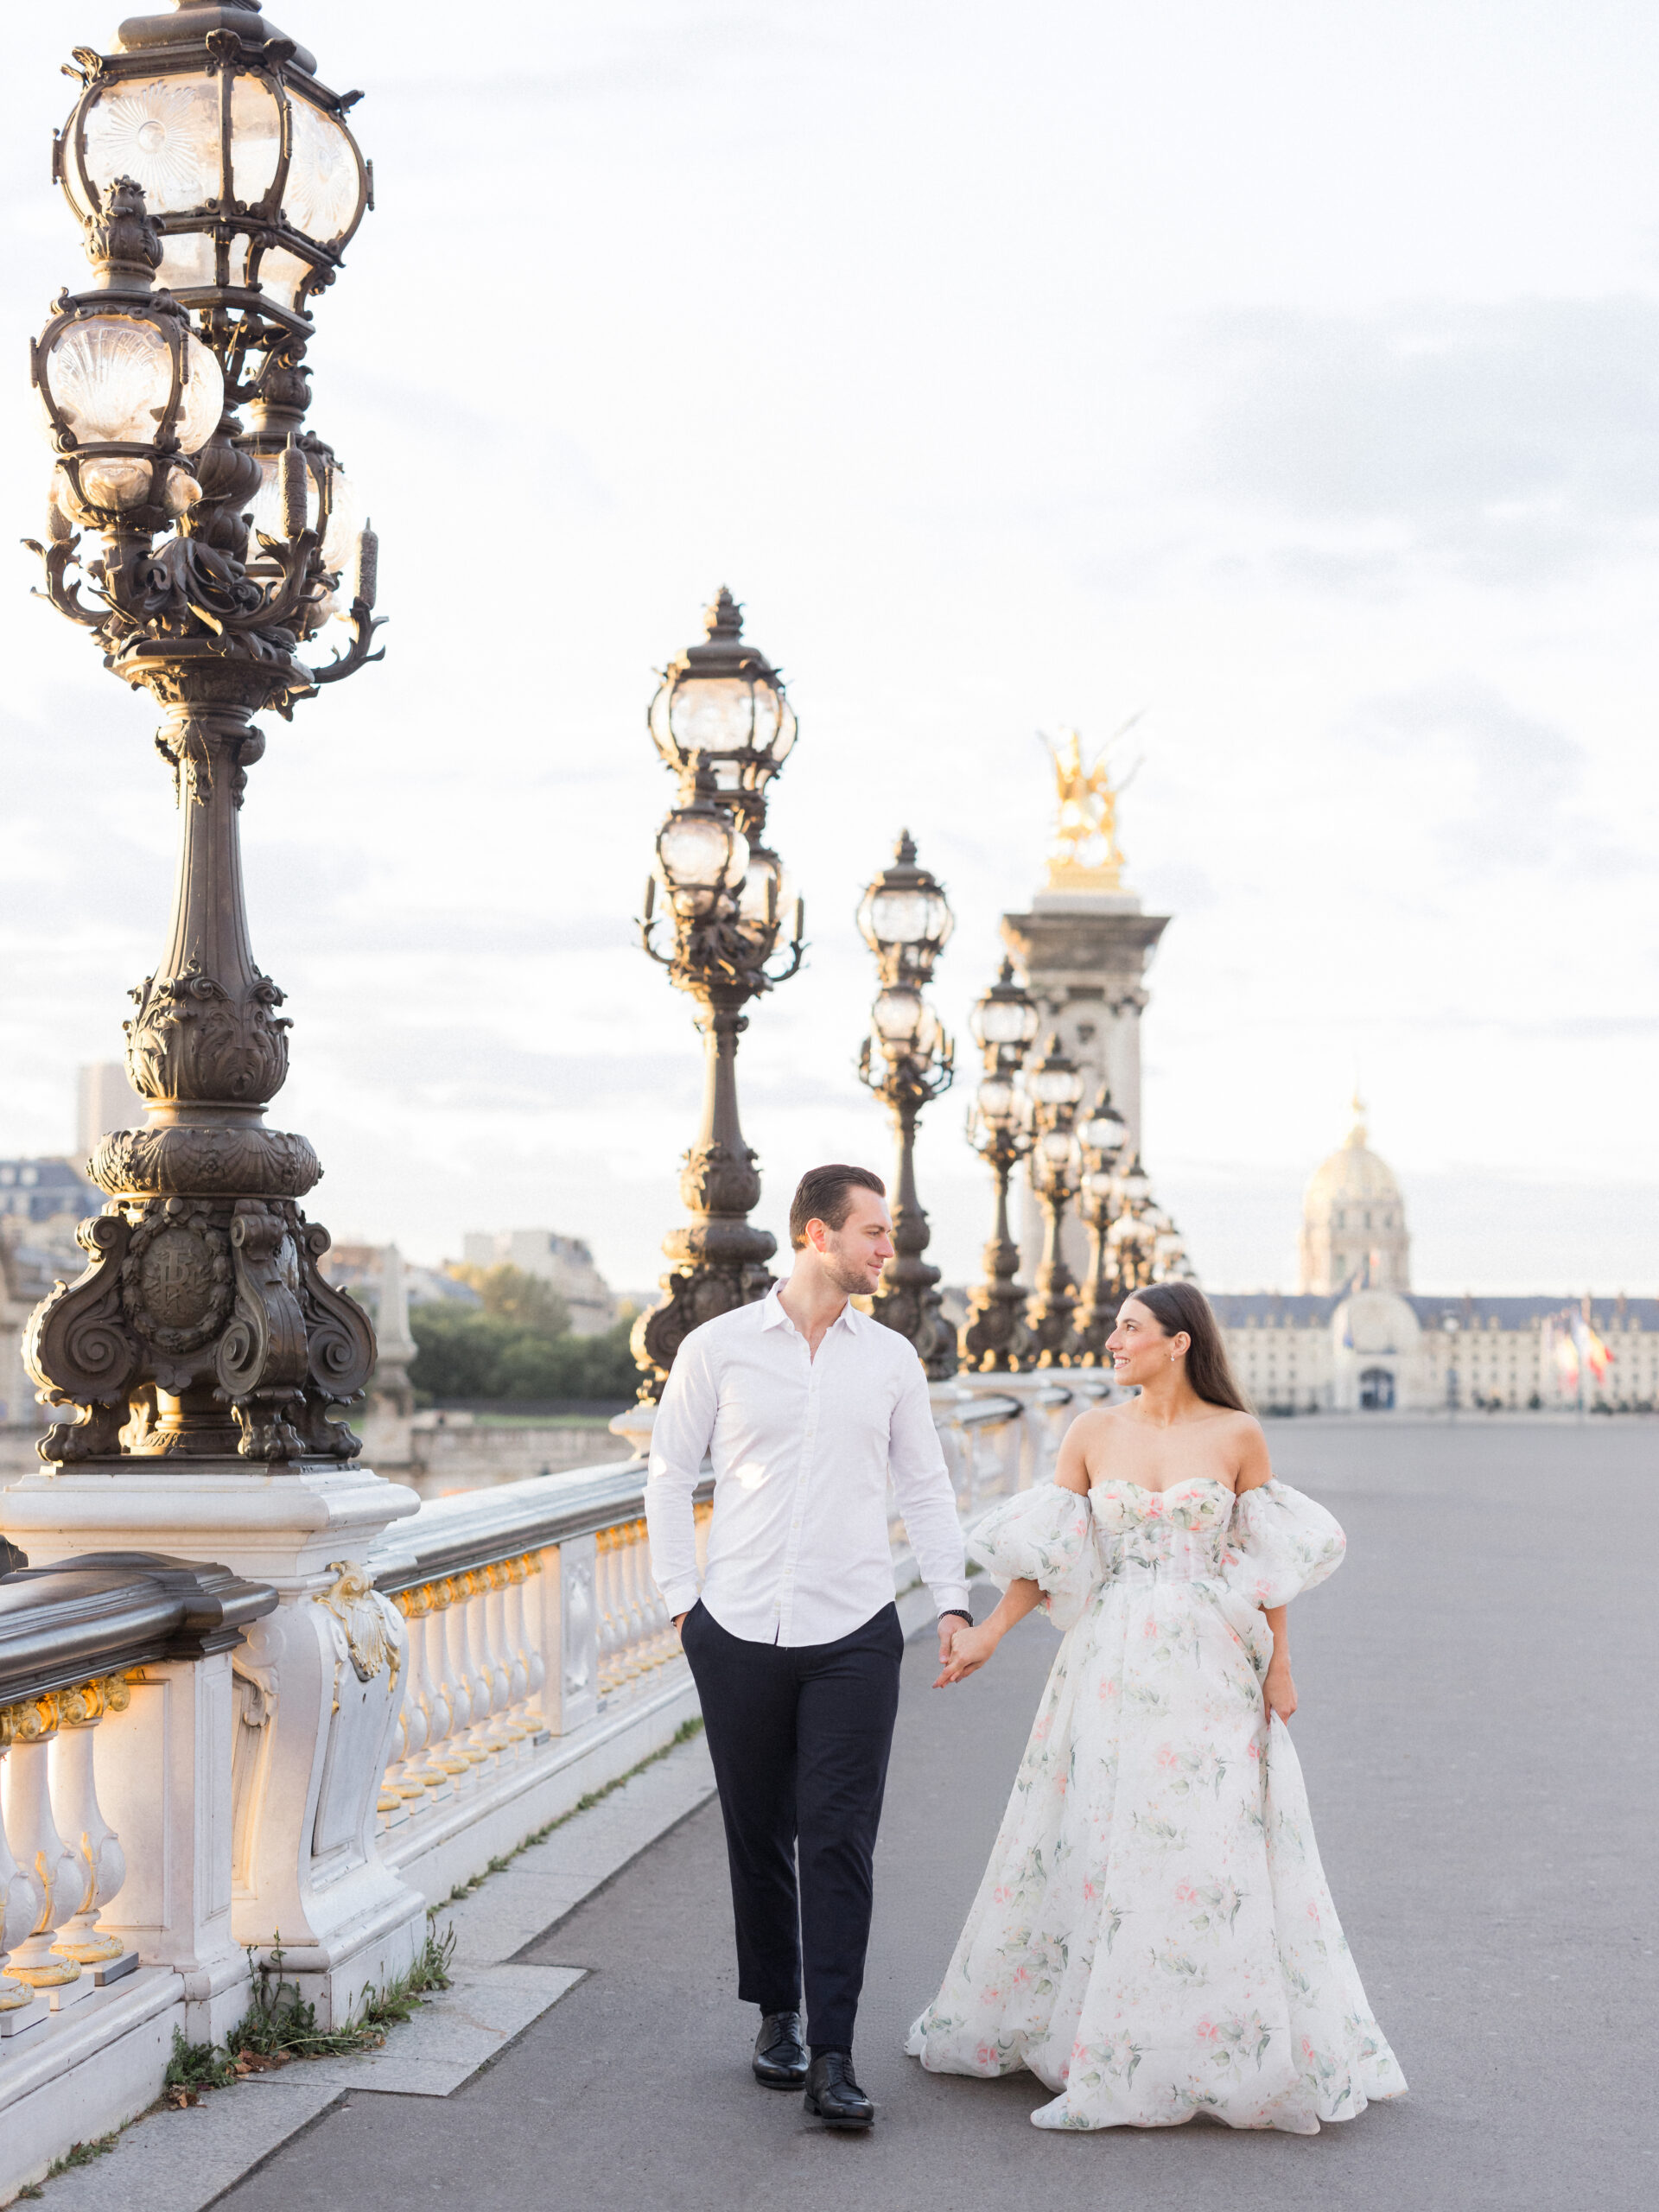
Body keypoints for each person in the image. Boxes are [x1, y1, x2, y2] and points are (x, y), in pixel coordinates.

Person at [908, 1281, 1406, 2133]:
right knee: (1102, 1828)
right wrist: (990, 1630)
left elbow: (1264, 1561)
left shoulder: (1236, 1434)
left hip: (1211, 1659)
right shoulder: (1093, 1431)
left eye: (1129, 1326)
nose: (1112, 1339)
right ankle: (1100, 2033)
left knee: (1210, 1840)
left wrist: (1280, 1662)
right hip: (1108, 1658)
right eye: (1114, 1327)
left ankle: (1216, 2040)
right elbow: (1052, 1552)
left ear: (1179, 1341)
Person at [646, 1164, 971, 2133]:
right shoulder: (718, 1348)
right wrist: (682, 1609)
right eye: (874, 1231)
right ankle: (776, 2016)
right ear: (816, 1236)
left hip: (855, 1630)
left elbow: (927, 1489)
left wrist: (950, 1603)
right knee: (759, 1831)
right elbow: (668, 1477)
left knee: (839, 1837)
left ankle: (833, 2051)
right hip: (737, 1625)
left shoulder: (891, 1360)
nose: (890, 1249)